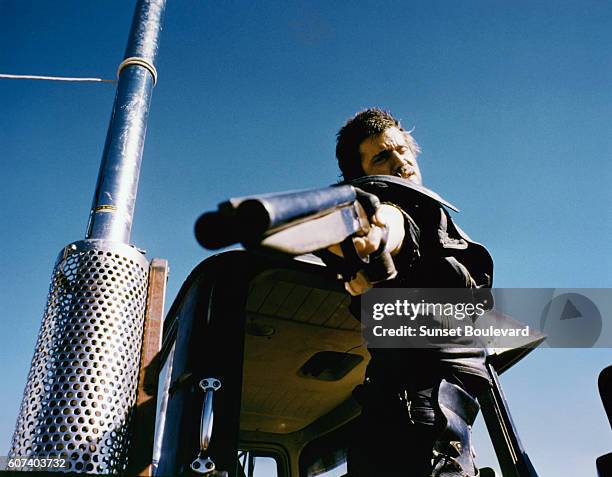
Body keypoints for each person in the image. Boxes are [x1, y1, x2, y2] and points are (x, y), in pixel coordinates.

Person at [333, 108, 494, 476]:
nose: (399, 161)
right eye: (382, 156)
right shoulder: (396, 204)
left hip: (420, 426)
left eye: (401, 149)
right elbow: (392, 223)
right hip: (417, 431)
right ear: (364, 175)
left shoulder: (431, 212)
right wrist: (376, 238)